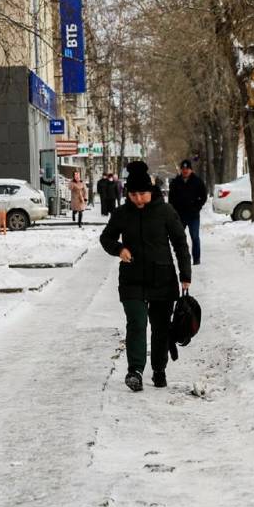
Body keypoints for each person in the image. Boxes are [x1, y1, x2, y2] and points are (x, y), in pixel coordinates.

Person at [100, 161, 192, 392]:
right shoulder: (122, 214)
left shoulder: (166, 211)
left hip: (162, 277)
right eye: (133, 195)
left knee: (160, 327)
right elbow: (106, 238)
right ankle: (135, 371)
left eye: (143, 194)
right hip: (132, 279)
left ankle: (159, 368)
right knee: (137, 323)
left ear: (151, 192)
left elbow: (180, 243)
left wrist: (185, 274)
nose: (139, 199)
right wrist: (119, 249)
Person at [168, 159, 208, 265]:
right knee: (180, 238)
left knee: (195, 237)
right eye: (183, 169)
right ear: (181, 170)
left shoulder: (197, 181)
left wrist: (197, 206)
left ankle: (196, 258)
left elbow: (203, 196)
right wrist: (173, 210)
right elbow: (171, 198)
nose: (185, 171)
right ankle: (183, 257)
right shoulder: (175, 182)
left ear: (191, 170)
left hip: (193, 215)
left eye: (187, 169)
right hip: (180, 215)